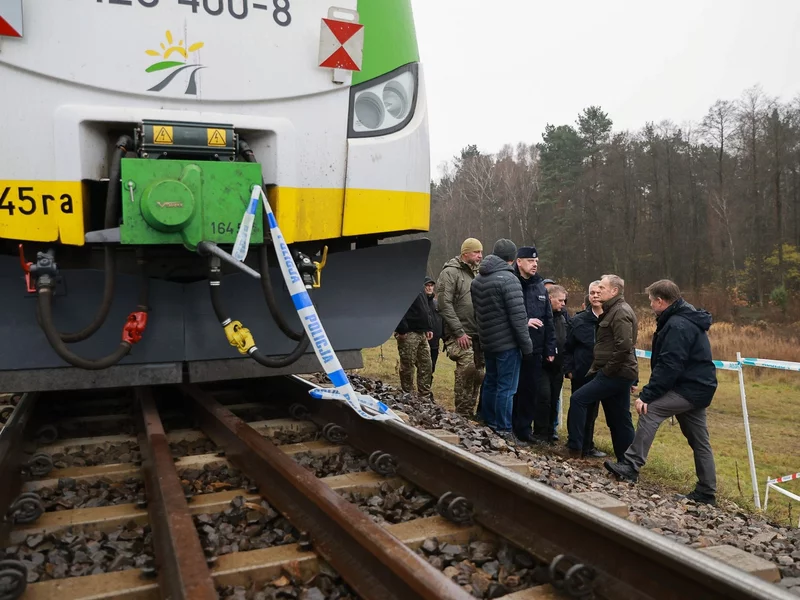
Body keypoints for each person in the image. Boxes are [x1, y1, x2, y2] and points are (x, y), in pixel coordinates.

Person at [604, 279, 718, 505]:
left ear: (660, 300)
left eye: (650, 301)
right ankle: (707, 492)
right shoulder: (683, 318)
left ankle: (630, 465)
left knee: (650, 410)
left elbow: (670, 365)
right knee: (700, 440)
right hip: (697, 386)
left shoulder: (677, 325)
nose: (650, 306)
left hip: (689, 388)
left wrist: (647, 395)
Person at [566, 274, 637, 461]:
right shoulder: (612, 310)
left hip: (615, 373)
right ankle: (626, 462)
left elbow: (624, 346)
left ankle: (574, 450)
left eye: (603, 288)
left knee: (579, 399)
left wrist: (606, 370)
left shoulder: (620, 312)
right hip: (617, 372)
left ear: (614, 291)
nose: (598, 292)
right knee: (618, 419)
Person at [471, 239, 533, 443]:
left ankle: (488, 421)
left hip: (488, 341)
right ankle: (504, 428)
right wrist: (527, 346)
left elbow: (477, 313)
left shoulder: (478, 280)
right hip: (507, 343)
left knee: (491, 382)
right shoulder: (509, 280)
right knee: (507, 387)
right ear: (513, 258)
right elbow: (518, 317)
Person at [436, 238, 486, 417]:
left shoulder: (480, 273)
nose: (480, 256)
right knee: (467, 370)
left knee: (479, 374)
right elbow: (444, 304)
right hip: (460, 333)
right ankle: (462, 414)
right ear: (465, 253)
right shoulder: (450, 273)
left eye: (481, 252)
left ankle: (470, 413)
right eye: (476, 252)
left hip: (478, 334)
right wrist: (458, 332)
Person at [512, 246, 556, 443]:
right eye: (530, 261)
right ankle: (508, 426)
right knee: (513, 389)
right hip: (514, 346)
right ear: (519, 261)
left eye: (536, 262)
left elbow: (548, 318)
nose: (535, 264)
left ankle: (524, 430)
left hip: (536, 348)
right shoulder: (511, 282)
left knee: (530, 390)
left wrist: (549, 347)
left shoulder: (540, 285)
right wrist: (524, 322)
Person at [564, 281, 607, 458]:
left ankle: (588, 446)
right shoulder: (578, 320)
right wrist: (569, 369)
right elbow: (568, 347)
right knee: (578, 409)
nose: (595, 296)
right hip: (582, 371)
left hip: (604, 373)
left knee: (593, 412)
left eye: (598, 292)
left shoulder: (613, 318)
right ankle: (575, 445)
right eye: (592, 293)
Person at [394, 279, 435, 398]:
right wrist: (401, 329)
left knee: (426, 364)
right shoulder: (403, 285)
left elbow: (425, 309)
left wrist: (428, 327)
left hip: (421, 333)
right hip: (409, 332)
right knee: (407, 365)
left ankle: (424, 394)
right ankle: (408, 394)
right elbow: (398, 306)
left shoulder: (419, 286)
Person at [538, 285, 568, 444]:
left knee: (554, 399)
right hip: (543, 366)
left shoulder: (563, 317)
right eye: (560, 300)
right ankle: (540, 432)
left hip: (559, 366)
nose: (563, 304)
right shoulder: (542, 316)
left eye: (564, 300)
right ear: (550, 299)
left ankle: (551, 432)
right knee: (544, 398)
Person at [425, 277, 443, 375]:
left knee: (432, 367)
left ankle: (427, 388)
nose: (429, 288)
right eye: (427, 285)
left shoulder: (436, 303)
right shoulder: (419, 302)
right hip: (421, 340)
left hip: (435, 342)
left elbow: (441, 320)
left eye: (431, 286)